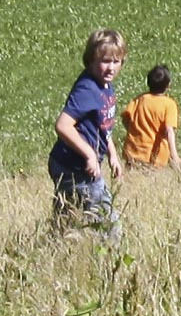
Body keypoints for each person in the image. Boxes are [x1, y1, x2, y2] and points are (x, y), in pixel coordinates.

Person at [49, 29, 125, 235]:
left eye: (116, 61)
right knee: (110, 224)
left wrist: (113, 154)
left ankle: (55, 249)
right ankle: (109, 261)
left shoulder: (105, 86)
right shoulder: (88, 89)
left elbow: (102, 127)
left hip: (70, 163)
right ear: (90, 61)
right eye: (105, 61)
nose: (111, 67)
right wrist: (90, 155)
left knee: (66, 219)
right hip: (75, 166)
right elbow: (63, 126)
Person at [121, 64, 180, 168]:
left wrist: (133, 131)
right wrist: (174, 155)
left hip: (133, 153)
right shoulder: (169, 104)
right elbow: (169, 131)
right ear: (168, 85)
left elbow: (125, 117)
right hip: (155, 158)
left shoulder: (139, 99)